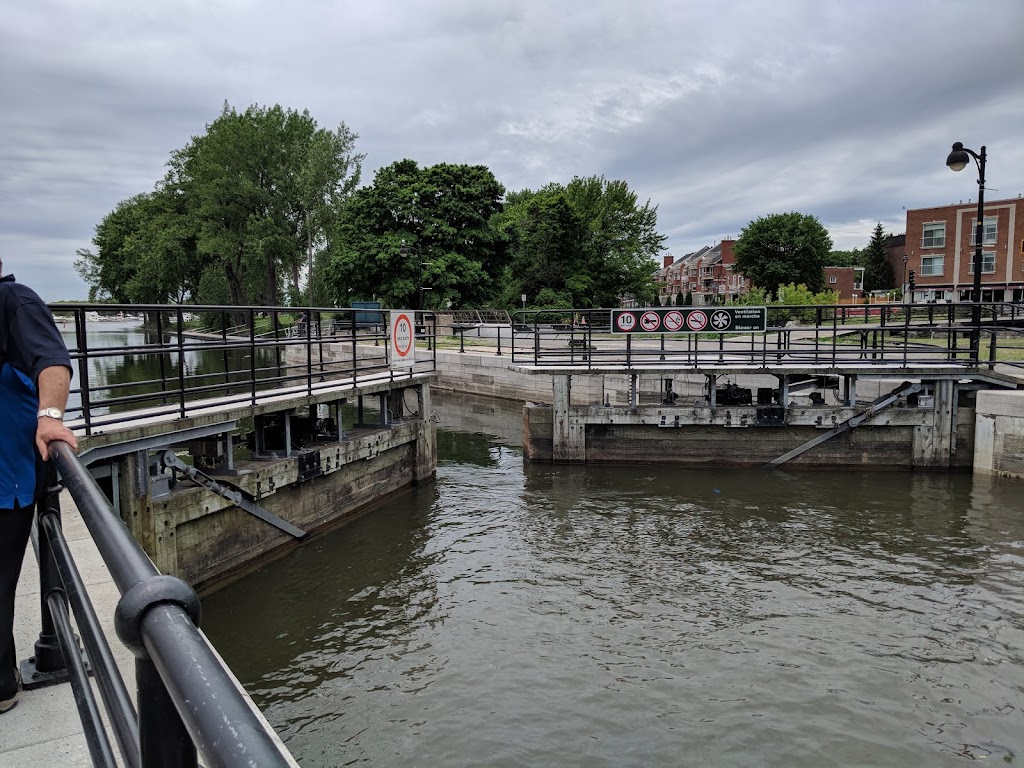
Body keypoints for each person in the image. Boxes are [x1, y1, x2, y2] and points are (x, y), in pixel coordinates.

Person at [0, 258, 77, 714]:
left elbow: (53, 361)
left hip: (7, 479)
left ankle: (2, 684)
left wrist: (49, 418)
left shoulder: (15, 301)